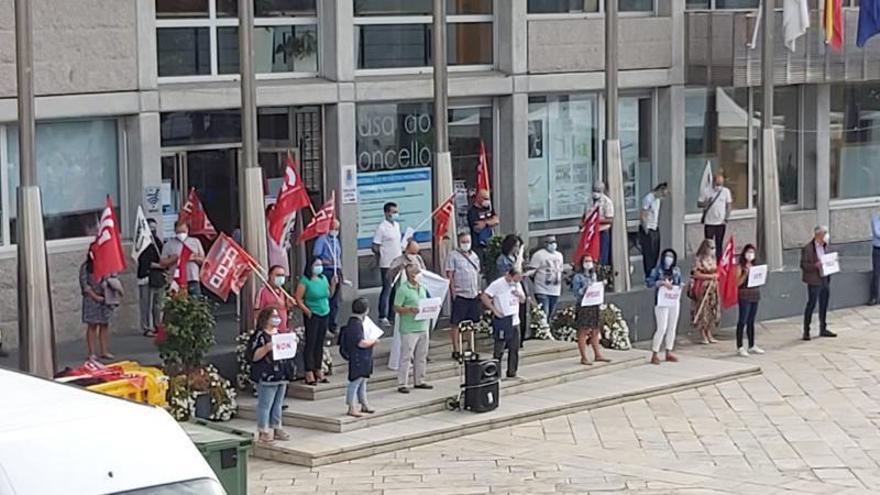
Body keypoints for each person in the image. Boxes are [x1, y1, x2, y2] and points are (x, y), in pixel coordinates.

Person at [249, 307, 292, 444]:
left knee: (278, 404)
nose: (276, 318)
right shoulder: (260, 336)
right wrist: (267, 348)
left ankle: (276, 427)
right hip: (267, 374)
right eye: (273, 316)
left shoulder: (280, 333)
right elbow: (253, 356)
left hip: (281, 374)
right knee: (265, 404)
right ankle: (263, 430)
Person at [295, 258, 336, 385]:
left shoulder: (323, 278)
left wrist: (334, 284)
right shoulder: (305, 281)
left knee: (320, 342)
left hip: (325, 312)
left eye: (320, 264)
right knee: (311, 343)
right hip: (313, 314)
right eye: (316, 264)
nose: (319, 267)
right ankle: (309, 371)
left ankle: (318, 369)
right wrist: (306, 310)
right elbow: (298, 298)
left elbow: (329, 294)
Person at [394, 264, 433, 394]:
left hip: (423, 325)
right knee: (406, 356)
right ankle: (402, 383)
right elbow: (396, 307)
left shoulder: (422, 287)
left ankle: (419, 380)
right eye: (416, 272)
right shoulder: (403, 289)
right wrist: (409, 309)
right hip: (409, 327)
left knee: (421, 355)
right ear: (411, 275)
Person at [482, 267, 527, 378]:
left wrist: (519, 294)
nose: (515, 282)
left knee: (514, 348)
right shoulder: (498, 284)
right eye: (514, 279)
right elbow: (485, 296)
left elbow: (523, 300)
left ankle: (512, 371)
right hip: (502, 318)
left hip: (515, 319)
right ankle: (495, 372)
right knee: (499, 348)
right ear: (509, 275)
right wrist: (494, 310)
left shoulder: (517, 284)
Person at [446, 232, 482, 361]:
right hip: (461, 294)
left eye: (468, 241)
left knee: (471, 323)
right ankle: (456, 349)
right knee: (456, 323)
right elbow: (450, 274)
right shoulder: (453, 256)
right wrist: (453, 292)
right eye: (464, 241)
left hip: (473, 293)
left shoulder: (474, 256)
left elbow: (477, 273)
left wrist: (479, 290)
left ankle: (470, 347)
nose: (466, 244)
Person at [340, 297, 378, 417]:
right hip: (358, 357)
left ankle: (364, 403)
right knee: (355, 381)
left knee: (363, 381)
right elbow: (360, 342)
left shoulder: (359, 322)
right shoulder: (355, 324)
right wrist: (373, 342)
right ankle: (351, 406)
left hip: (364, 357)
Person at [571, 254, 610, 365]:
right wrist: (585, 288)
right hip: (584, 306)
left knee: (595, 330)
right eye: (586, 261)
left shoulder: (593, 275)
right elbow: (576, 293)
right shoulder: (578, 277)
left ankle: (597, 354)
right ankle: (583, 357)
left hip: (594, 305)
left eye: (590, 261)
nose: (589, 263)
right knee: (583, 331)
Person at [80, 249, 118, 360]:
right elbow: (84, 284)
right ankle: (92, 352)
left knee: (104, 325)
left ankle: (104, 351)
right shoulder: (86, 266)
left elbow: (113, 278)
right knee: (92, 325)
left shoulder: (106, 264)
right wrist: (95, 296)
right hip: (91, 299)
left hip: (105, 298)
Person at [647, 249, 683, 365]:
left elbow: (679, 282)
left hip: (673, 300)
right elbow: (649, 282)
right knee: (661, 327)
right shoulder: (657, 270)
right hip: (661, 301)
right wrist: (661, 283)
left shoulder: (676, 270)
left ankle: (669, 350)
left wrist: (680, 286)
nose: (669, 259)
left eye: (671, 257)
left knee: (672, 327)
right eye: (667, 256)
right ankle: (655, 353)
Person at [801, 226, 837, 341]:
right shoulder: (807, 248)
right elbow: (803, 265)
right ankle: (806, 330)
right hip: (814, 280)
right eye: (824, 233)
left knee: (824, 303)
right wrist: (814, 266)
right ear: (819, 234)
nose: (826, 236)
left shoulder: (826, 246)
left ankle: (823, 328)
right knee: (811, 304)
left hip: (825, 278)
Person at [373, 202, 402, 327]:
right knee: (387, 289)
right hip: (387, 264)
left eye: (396, 212)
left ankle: (392, 314)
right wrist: (383, 254)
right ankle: (382, 315)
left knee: (396, 290)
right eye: (392, 212)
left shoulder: (397, 225)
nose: (394, 214)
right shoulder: (382, 228)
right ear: (386, 213)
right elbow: (375, 246)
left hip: (398, 262)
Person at [160, 221, 206, 296]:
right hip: (176, 281)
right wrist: (172, 260)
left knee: (196, 304)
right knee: (177, 305)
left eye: (183, 231)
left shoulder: (195, 242)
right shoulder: (168, 244)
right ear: (175, 231)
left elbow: (204, 261)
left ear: (187, 230)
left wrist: (194, 258)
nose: (181, 234)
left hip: (192, 279)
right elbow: (162, 263)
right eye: (179, 232)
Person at [313, 219, 342, 333]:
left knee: (335, 301)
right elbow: (316, 256)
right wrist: (327, 261)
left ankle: (332, 324)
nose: (335, 231)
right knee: (328, 299)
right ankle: (325, 327)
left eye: (337, 229)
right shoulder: (322, 240)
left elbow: (338, 257)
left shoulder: (336, 240)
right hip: (326, 271)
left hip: (336, 270)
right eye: (333, 228)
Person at [137, 218, 164, 337]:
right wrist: (160, 265)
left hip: (157, 277)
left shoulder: (157, 242)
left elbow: (162, 256)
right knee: (146, 303)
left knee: (157, 303)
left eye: (154, 227)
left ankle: (158, 325)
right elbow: (144, 261)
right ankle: (146, 327)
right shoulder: (142, 243)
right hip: (145, 276)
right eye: (150, 227)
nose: (153, 230)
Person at [735, 244, 764, 357]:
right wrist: (745, 274)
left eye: (752, 252)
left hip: (754, 294)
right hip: (744, 295)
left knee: (751, 321)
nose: (750, 254)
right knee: (742, 320)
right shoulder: (740, 267)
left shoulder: (755, 265)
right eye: (748, 252)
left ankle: (752, 345)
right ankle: (740, 346)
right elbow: (737, 283)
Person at [691, 239, 720, 345]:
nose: (713, 250)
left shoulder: (713, 258)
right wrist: (710, 276)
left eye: (714, 248)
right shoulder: (699, 259)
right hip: (703, 288)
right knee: (703, 311)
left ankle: (709, 332)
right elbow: (695, 274)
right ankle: (702, 334)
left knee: (712, 310)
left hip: (713, 287)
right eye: (711, 248)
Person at [698, 174, 732, 262]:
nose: (718, 186)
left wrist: (726, 218)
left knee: (719, 243)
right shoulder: (706, 191)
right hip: (709, 222)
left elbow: (728, 205)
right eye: (717, 184)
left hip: (720, 222)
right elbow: (699, 204)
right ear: (713, 182)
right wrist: (706, 203)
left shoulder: (725, 191)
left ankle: (718, 262)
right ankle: (708, 261)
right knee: (708, 244)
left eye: (720, 184)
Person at [529, 235, 564, 318]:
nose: (553, 244)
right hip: (542, 289)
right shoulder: (538, 255)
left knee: (551, 314)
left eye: (554, 242)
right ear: (545, 243)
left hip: (555, 290)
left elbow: (560, 270)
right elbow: (531, 271)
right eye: (550, 242)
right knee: (544, 313)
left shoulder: (559, 255)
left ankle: (548, 329)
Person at [640, 182, 668, 281]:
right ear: (660, 190)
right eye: (663, 193)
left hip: (655, 227)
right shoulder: (649, 198)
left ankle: (653, 271)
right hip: (648, 228)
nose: (663, 196)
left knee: (655, 251)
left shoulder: (658, 200)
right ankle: (648, 274)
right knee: (649, 253)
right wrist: (645, 229)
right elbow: (643, 214)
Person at [587, 181, 614, 267]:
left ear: (602, 191)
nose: (595, 193)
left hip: (602, 232)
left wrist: (596, 221)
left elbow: (610, 219)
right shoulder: (589, 200)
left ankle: (602, 272)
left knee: (602, 256)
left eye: (598, 191)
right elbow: (586, 214)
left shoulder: (607, 202)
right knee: (590, 256)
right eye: (594, 190)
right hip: (590, 232)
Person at [467, 189, 499, 259]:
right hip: (478, 245)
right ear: (479, 198)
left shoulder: (488, 208)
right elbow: (477, 228)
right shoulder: (472, 212)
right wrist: (490, 222)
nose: (487, 201)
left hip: (489, 243)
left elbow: (496, 220)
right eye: (485, 198)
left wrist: (485, 223)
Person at [870, 211, 880, 305]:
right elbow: (877, 233)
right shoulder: (875, 219)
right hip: (878, 249)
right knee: (876, 273)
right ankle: (874, 297)